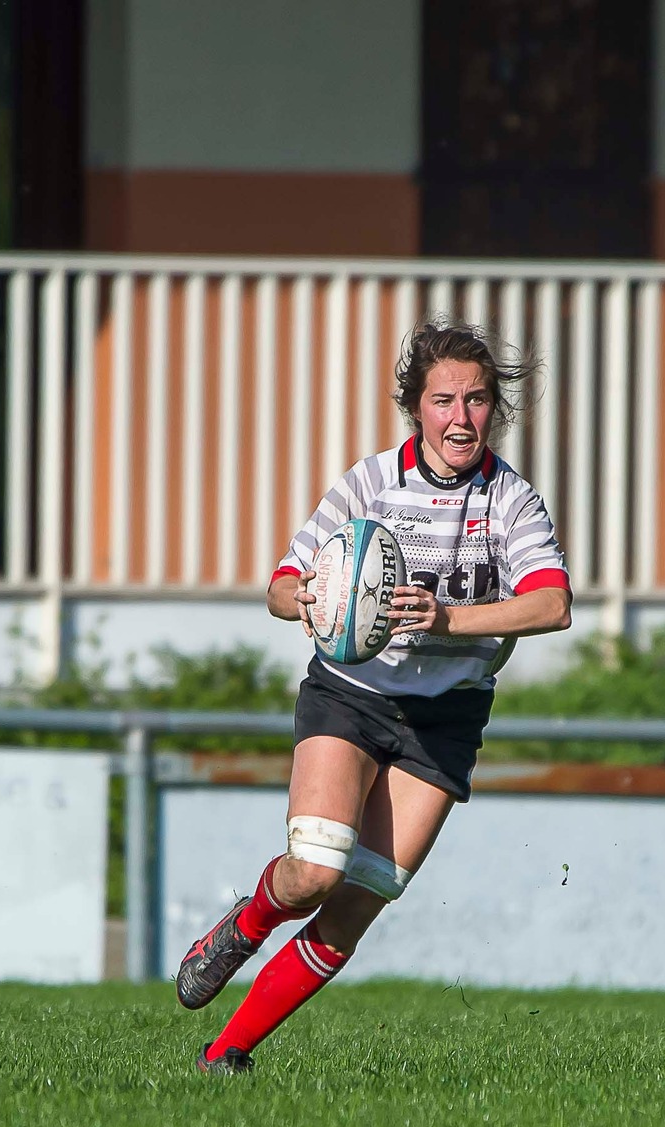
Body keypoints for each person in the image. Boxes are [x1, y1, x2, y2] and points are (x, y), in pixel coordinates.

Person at [174, 321, 573, 1073]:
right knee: (315, 871)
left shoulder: (512, 500)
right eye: (444, 400)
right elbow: (280, 586)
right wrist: (313, 599)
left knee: (356, 903)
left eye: (478, 400)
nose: (462, 418)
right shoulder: (368, 483)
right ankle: (249, 921)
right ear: (416, 408)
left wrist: (448, 618)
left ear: (495, 409)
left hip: (445, 718)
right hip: (350, 696)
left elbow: (552, 604)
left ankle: (224, 1054)